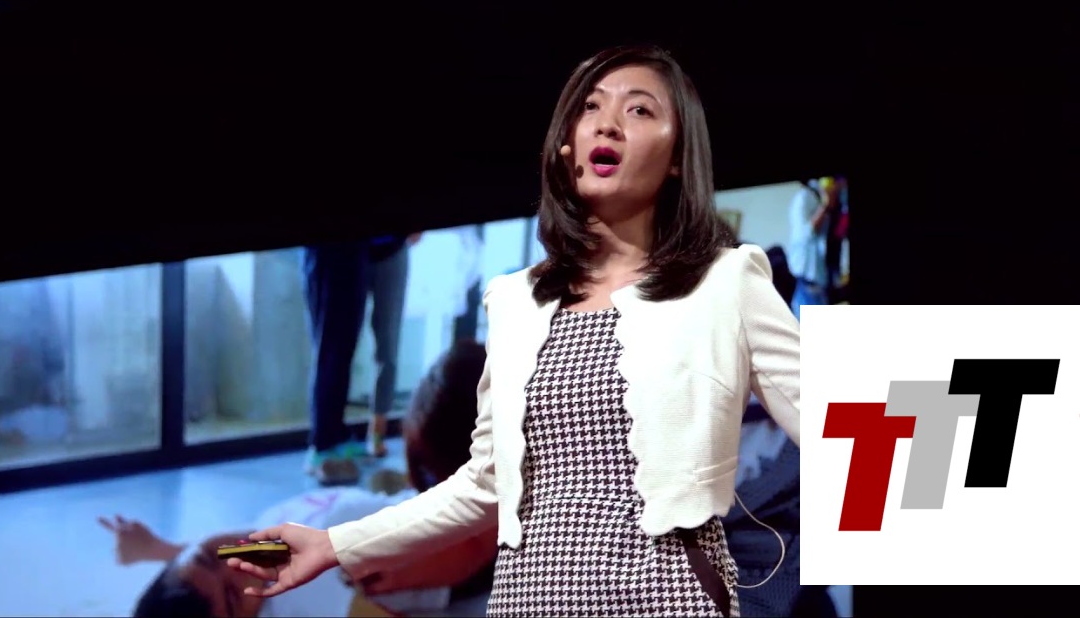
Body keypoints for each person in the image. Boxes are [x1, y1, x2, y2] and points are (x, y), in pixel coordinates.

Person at [229, 44, 801, 618]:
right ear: (566, 145)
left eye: (639, 110)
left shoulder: (726, 280)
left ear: (678, 156)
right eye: (590, 107)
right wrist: (334, 544)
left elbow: (851, 433)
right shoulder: (516, 299)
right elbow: (484, 484)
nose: (607, 122)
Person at [103, 341, 498, 617]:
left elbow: (211, 568)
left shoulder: (259, 547)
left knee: (455, 383)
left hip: (421, 500)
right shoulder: (304, 595)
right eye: (233, 595)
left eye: (209, 555)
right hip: (473, 541)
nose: (237, 564)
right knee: (450, 392)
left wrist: (156, 549)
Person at [300, 231, 421, 486]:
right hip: (331, 250)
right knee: (331, 351)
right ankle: (321, 447)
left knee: (341, 351)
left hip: (355, 251)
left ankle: (335, 438)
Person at [786, 177, 840, 318]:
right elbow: (807, 232)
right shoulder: (804, 197)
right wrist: (826, 204)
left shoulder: (818, 196)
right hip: (807, 278)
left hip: (819, 279)